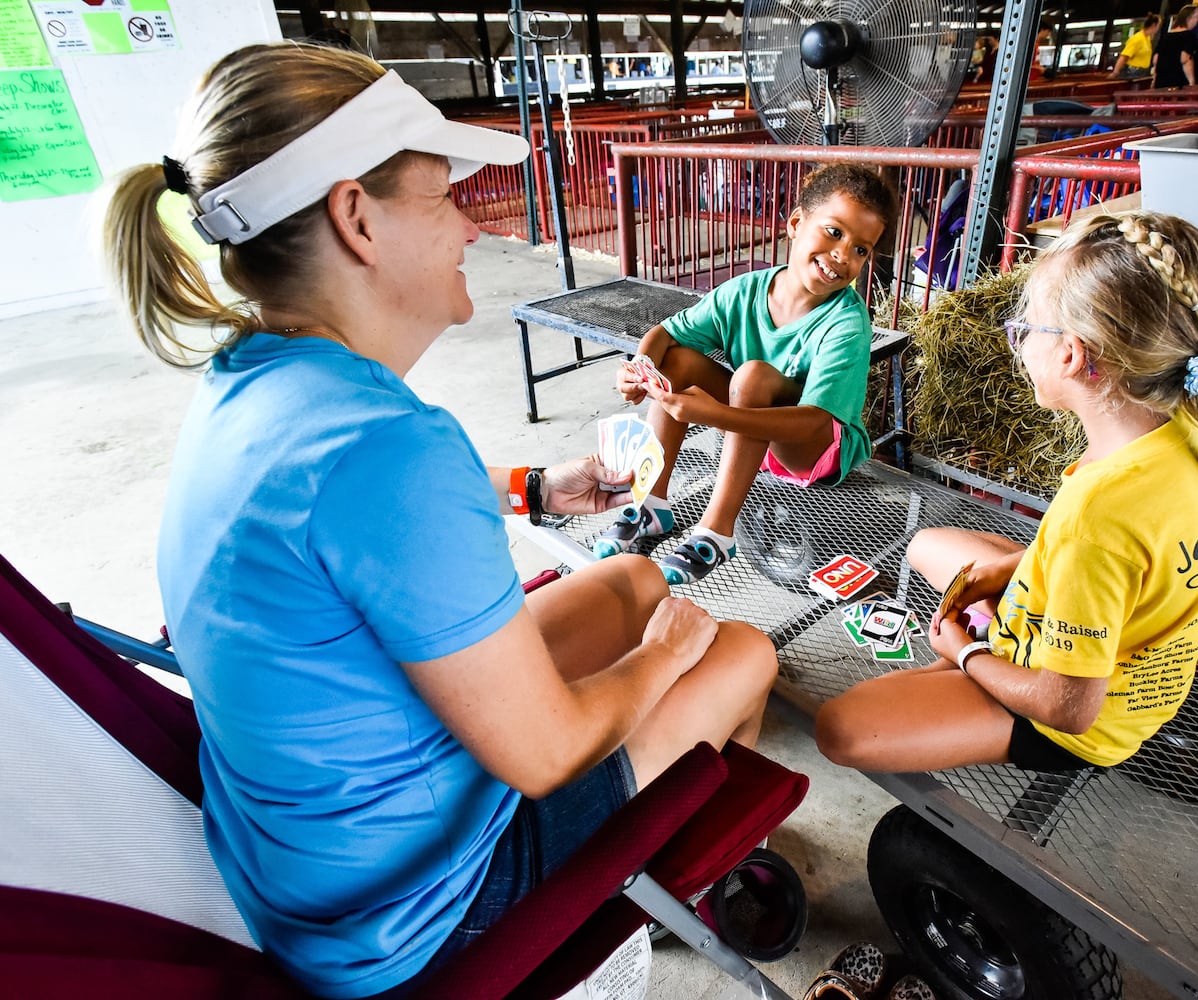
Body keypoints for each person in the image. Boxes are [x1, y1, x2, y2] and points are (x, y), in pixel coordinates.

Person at [100, 42, 778, 999]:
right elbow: (543, 756)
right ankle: (679, 878)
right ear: (356, 218)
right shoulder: (393, 448)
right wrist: (665, 656)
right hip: (420, 912)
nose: (469, 224)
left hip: (312, 863)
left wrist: (537, 491)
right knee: (736, 648)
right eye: (443, 194)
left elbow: (339, 518)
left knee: (628, 576)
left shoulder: (253, 384)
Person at [814, 212, 1198, 775]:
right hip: (1124, 641)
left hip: (1082, 717)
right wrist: (1014, 568)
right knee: (925, 546)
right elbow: (1117, 556)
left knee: (839, 728)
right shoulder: (1182, 425)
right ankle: (981, 645)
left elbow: (1069, 709)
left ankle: (972, 671)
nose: (1021, 343)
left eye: (1028, 329)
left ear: (1073, 355)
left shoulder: (1100, 515)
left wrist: (966, 655)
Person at [597, 164, 897, 586]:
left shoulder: (847, 323)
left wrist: (715, 416)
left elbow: (816, 419)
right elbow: (665, 334)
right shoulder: (745, 291)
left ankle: (717, 532)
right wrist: (638, 369)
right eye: (834, 232)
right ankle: (651, 505)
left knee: (752, 376)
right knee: (678, 362)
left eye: (861, 250)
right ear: (796, 223)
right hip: (751, 427)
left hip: (813, 451)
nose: (843, 256)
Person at [1152, 5, 1198, 87]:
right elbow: (1185, 59)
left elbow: (1155, 59)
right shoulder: (1188, 36)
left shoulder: (1166, 36)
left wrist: (1154, 79)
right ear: (1189, 18)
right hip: (1179, 83)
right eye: (1196, 17)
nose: (1197, 20)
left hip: (1161, 82)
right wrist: (1191, 82)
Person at [1111, 14, 1162, 79]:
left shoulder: (1147, 38)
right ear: (1153, 25)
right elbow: (1124, 57)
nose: (1158, 28)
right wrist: (1115, 73)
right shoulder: (1137, 38)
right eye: (1158, 25)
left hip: (1142, 72)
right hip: (1133, 72)